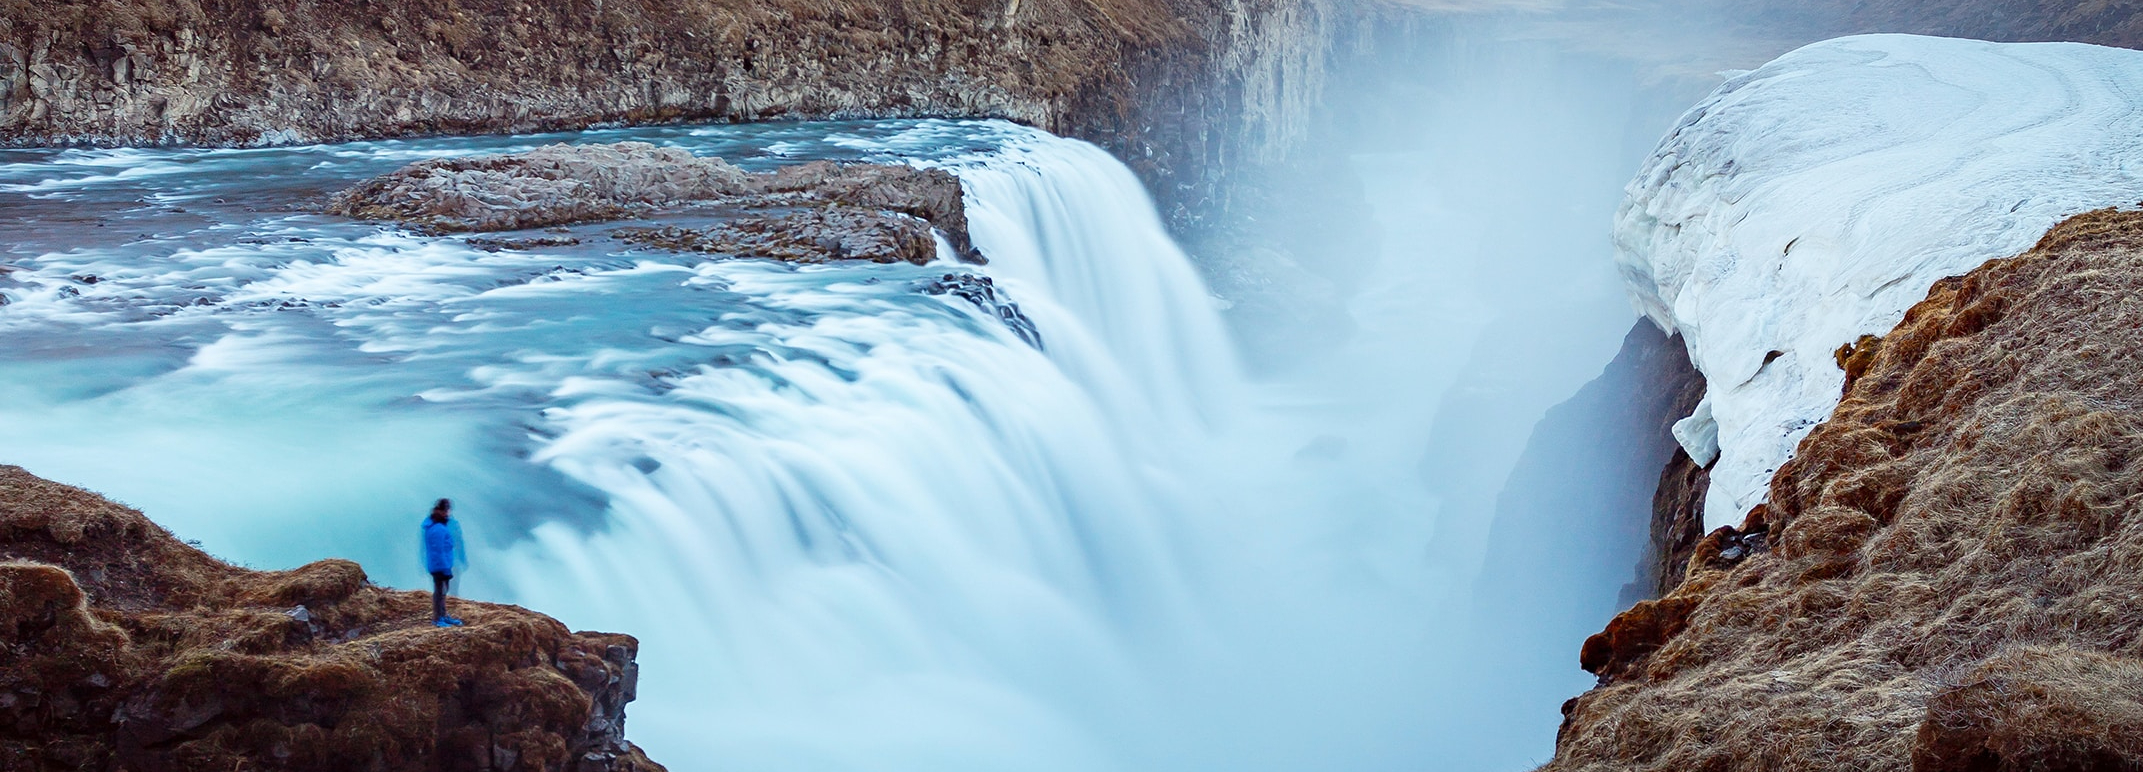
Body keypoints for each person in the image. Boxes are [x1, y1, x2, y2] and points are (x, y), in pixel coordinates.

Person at [421, 498, 468, 627]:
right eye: (447, 510)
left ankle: (443, 615)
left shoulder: (438, 526)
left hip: (441, 565)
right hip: (440, 566)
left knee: (442, 591)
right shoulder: (438, 528)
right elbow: (438, 551)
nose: (449, 513)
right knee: (440, 591)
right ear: (441, 511)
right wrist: (445, 568)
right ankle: (437, 618)